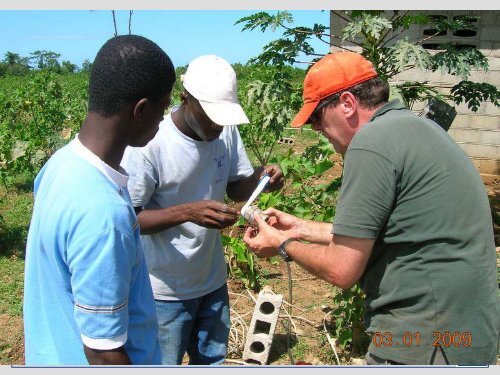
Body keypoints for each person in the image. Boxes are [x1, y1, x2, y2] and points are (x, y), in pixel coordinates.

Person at [243, 52, 499, 365]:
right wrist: (302, 228)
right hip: (464, 332)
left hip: (423, 340)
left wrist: (282, 243)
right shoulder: (419, 130)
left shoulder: (371, 142)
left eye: (317, 118)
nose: (317, 129)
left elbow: (342, 268)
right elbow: (394, 231)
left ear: (348, 103)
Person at [121, 54, 284, 365]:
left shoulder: (225, 130)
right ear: (185, 98)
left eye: (222, 118)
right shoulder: (150, 144)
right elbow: (130, 218)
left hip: (211, 280)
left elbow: (236, 185)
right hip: (163, 290)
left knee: (212, 362)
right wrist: (187, 213)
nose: (216, 125)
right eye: (209, 115)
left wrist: (263, 179)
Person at [23, 35, 176, 365]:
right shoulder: (104, 214)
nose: (164, 119)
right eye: (163, 108)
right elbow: (103, 352)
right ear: (141, 110)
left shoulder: (59, 165)